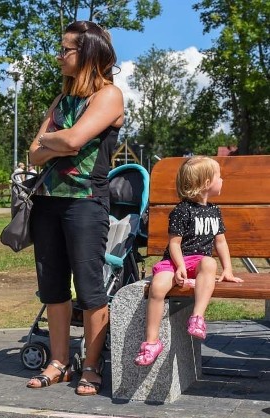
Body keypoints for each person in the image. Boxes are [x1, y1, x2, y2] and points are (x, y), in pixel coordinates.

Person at [25, 20, 124, 396]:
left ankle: (92, 365)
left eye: (65, 49)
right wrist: (57, 141)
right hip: (48, 203)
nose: (59, 56)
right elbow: (35, 155)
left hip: (85, 203)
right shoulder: (61, 100)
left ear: (87, 53)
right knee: (52, 287)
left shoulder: (108, 96)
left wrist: (53, 138)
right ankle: (60, 361)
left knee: (90, 289)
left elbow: (75, 138)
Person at [135, 156, 242, 366]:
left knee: (209, 263)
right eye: (219, 177)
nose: (222, 181)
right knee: (157, 289)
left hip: (199, 263)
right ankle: (151, 342)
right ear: (205, 184)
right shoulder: (181, 211)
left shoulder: (214, 211)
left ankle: (197, 318)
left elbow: (220, 242)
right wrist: (180, 266)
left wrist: (228, 269)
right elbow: (174, 244)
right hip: (176, 261)